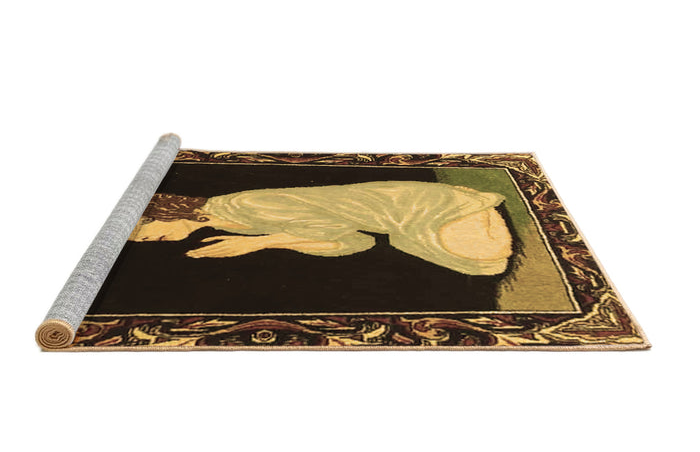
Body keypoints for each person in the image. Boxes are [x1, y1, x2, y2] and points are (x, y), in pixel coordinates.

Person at [129, 181, 513, 276]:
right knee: (484, 264)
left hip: (421, 206)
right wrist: (267, 242)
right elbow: (354, 242)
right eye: (141, 241)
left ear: (164, 211)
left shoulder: (240, 206)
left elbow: (337, 228)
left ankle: (466, 202)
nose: (148, 239)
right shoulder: (226, 222)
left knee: (483, 259)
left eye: (143, 228)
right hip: (397, 225)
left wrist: (260, 243)